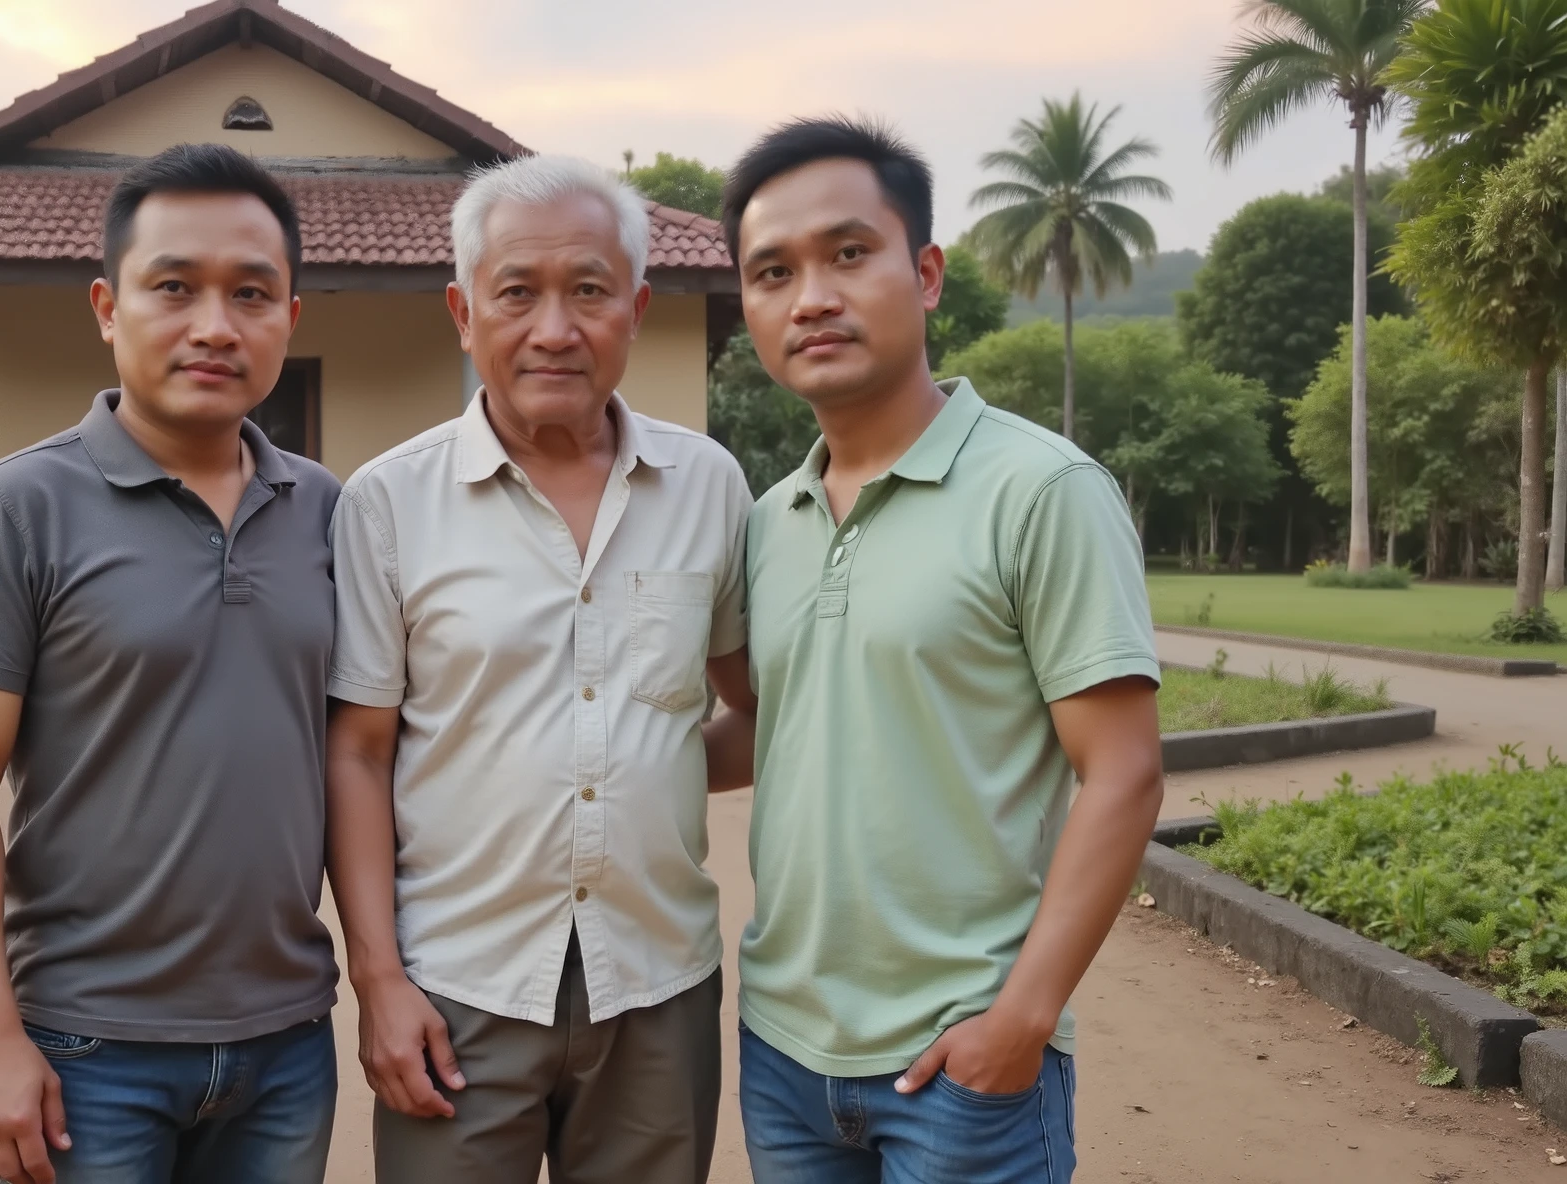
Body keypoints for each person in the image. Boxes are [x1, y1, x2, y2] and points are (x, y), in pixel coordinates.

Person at [704, 117, 1166, 1183]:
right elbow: (773, 728)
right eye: (772, 271)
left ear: (925, 274)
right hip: (783, 1050)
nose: (810, 295)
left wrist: (1022, 1016)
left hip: (964, 1056)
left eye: (847, 254)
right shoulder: (766, 520)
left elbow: (1123, 770)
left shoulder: (1039, 491)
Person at [0, 143, 340, 1184]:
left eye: (250, 292)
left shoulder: (330, 512)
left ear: (291, 314)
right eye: (173, 287)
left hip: (287, 1041)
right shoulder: (16, 508)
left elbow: (362, 753)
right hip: (85, 1049)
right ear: (107, 305)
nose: (213, 324)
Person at [325, 153, 755, 1184]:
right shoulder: (388, 503)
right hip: (457, 991)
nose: (553, 328)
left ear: (636, 309)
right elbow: (358, 754)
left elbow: (755, 704)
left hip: (657, 982)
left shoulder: (708, 485)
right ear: (462, 313)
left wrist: (641, 764)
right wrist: (377, 977)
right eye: (516, 291)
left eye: (588, 291)